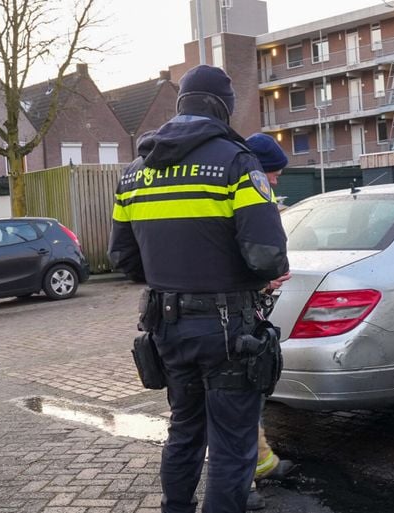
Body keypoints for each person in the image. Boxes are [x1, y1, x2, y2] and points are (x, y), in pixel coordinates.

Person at [108, 64, 289, 513]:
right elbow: (266, 255)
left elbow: (123, 260)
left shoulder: (134, 172)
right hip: (229, 332)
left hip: (166, 328)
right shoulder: (236, 162)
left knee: (184, 431)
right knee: (232, 445)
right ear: (222, 107)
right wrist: (262, 276)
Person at [243, 133, 296, 511]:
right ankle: (241, 482)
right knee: (235, 404)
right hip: (232, 318)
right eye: (273, 173)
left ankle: (263, 462)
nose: (275, 181)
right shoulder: (247, 199)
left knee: (246, 399)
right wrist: (264, 279)